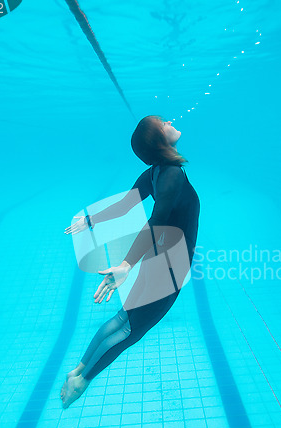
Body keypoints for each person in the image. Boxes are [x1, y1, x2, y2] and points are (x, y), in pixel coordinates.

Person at [60, 115, 200, 409]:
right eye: (163, 123)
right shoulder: (172, 174)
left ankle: (80, 368)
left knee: (124, 320)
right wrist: (126, 265)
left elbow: (126, 206)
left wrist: (91, 219)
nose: (170, 121)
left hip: (158, 258)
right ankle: (82, 381)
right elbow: (156, 221)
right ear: (160, 140)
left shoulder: (155, 173)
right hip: (171, 267)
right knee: (131, 330)